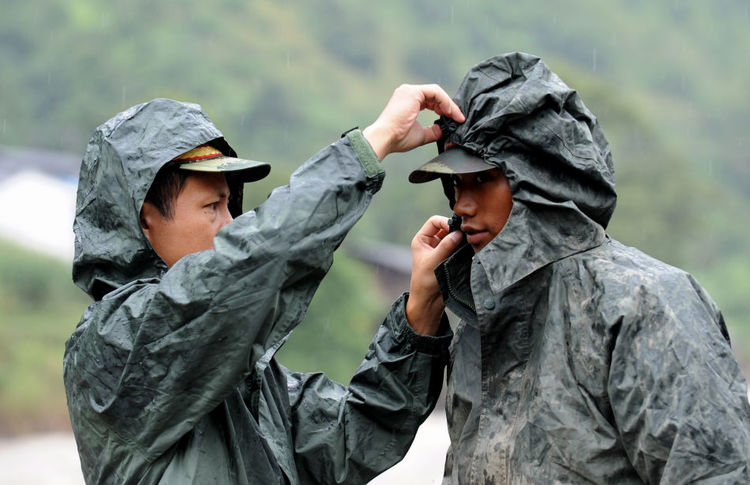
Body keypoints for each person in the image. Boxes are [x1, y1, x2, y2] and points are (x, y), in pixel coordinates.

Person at [63, 85, 466, 484]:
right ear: (146, 219)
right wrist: (373, 144)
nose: (230, 224)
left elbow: (351, 439)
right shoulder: (116, 342)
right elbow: (254, 259)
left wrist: (420, 310)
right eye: (211, 207)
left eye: (228, 205)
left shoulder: (248, 377)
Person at [407, 52, 750, 484]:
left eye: (482, 179)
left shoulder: (646, 304)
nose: (462, 204)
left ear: (538, 177)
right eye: (456, 183)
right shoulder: (480, 323)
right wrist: (422, 310)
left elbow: (718, 473)